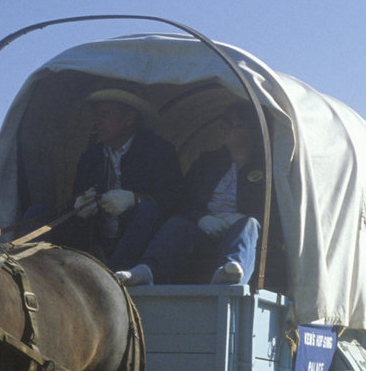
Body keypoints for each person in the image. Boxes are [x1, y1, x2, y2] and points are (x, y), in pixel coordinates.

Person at [115, 103, 273, 286]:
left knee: (249, 224)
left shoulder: (267, 168)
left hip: (242, 237)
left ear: (251, 130)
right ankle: (147, 270)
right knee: (178, 224)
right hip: (205, 233)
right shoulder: (208, 162)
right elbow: (180, 200)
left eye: (234, 125)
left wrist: (239, 218)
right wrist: (201, 219)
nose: (225, 130)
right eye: (224, 125)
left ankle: (230, 272)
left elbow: (276, 214)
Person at [49, 89, 182, 271]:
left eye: (104, 114)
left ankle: (114, 275)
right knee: (38, 213)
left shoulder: (158, 151)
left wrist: (135, 198)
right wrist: (80, 204)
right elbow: (76, 198)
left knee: (147, 209)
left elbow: (174, 201)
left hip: (142, 246)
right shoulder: (91, 157)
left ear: (129, 119)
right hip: (98, 242)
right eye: (96, 115)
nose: (97, 122)